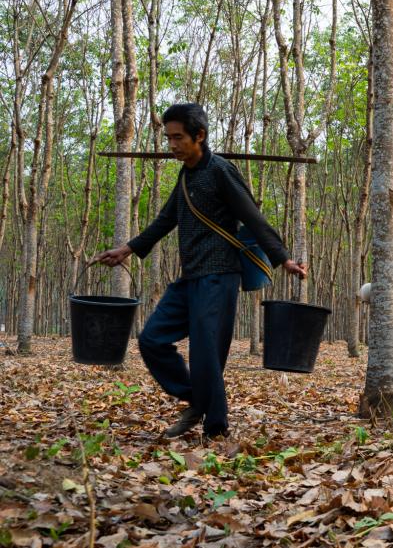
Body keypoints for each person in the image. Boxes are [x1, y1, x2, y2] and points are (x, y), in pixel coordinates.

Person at [94, 103, 307, 439]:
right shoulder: (186, 175)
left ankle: (216, 427)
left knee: (206, 352)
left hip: (220, 276)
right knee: (151, 339)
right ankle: (197, 398)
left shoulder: (220, 171)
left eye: (179, 137)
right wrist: (127, 249)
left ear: (200, 136)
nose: (173, 145)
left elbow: (253, 217)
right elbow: (166, 219)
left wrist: (283, 258)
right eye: (169, 138)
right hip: (190, 276)